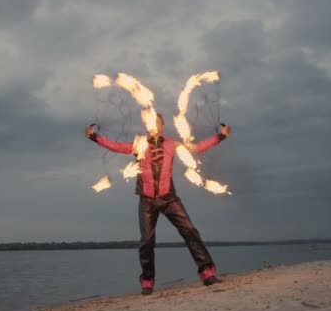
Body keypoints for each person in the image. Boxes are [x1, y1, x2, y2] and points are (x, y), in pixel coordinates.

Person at [85, 113, 231, 295]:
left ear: (162, 125)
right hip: (147, 199)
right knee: (146, 241)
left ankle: (207, 273)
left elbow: (195, 148)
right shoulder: (140, 145)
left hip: (169, 198)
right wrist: (94, 136)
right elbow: (116, 147)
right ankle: (147, 282)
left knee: (190, 230)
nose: (154, 125)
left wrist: (221, 136)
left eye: (158, 122)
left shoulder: (172, 144)